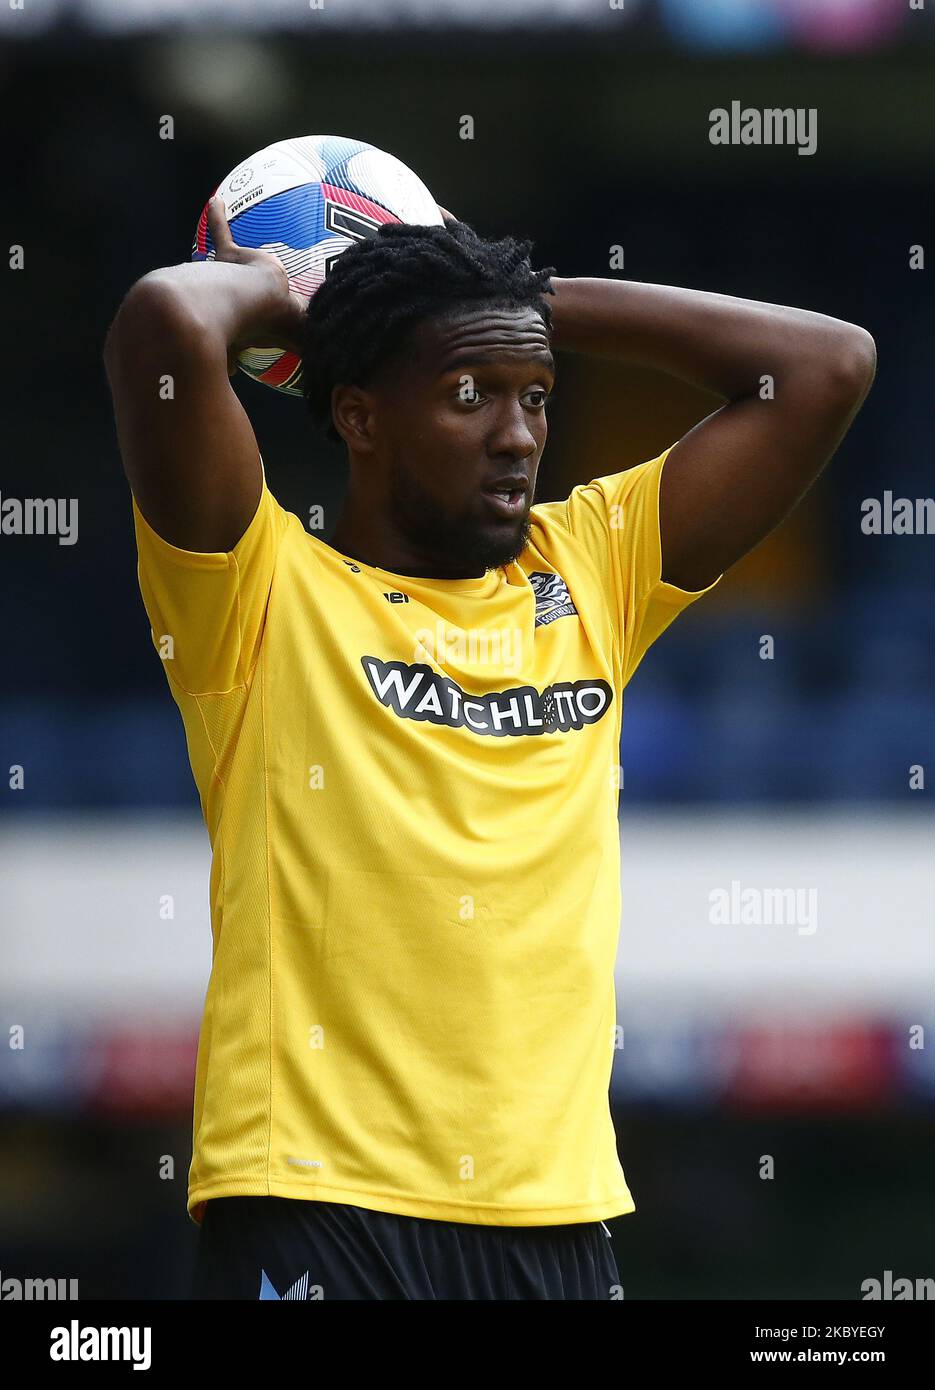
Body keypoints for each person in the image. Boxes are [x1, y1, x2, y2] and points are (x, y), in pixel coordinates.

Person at [103, 197, 875, 1300]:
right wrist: (297, 292)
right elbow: (163, 327)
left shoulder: (592, 569)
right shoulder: (259, 587)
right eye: (469, 395)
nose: (516, 433)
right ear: (361, 419)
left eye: (536, 396)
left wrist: (507, 304)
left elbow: (825, 363)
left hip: (555, 1214)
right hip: (320, 1203)